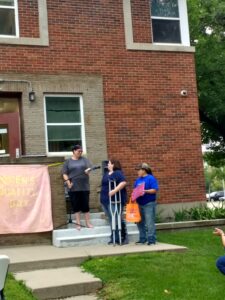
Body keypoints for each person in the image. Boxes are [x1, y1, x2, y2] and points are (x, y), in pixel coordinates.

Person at [62, 144, 93, 230]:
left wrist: (88, 170)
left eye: (81, 151)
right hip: (73, 187)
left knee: (85, 206)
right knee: (76, 206)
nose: (80, 153)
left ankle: (88, 223)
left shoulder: (84, 160)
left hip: (84, 187)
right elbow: (64, 173)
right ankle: (78, 224)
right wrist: (68, 182)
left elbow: (90, 168)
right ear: (74, 151)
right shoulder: (68, 162)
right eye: (79, 151)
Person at [100, 159, 128, 245]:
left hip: (114, 200)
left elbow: (123, 182)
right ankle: (113, 237)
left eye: (108, 163)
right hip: (105, 200)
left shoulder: (118, 173)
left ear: (113, 164)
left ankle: (121, 236)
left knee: (116, 218)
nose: (107, 165)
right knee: (111, 219)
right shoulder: (106, 174)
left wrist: (114, 191)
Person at [134, 163, 159, 245]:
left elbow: (154, 190)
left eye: (139, 170)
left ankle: (151, 240)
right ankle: (142, 238)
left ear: (144, 170)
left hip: (149, 203)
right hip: (139, 203)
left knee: (149, 222)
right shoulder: (137, 180)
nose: (137, 172)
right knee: (139, 222)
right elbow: (135, 191)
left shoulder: (151, 178)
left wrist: (145, 191)